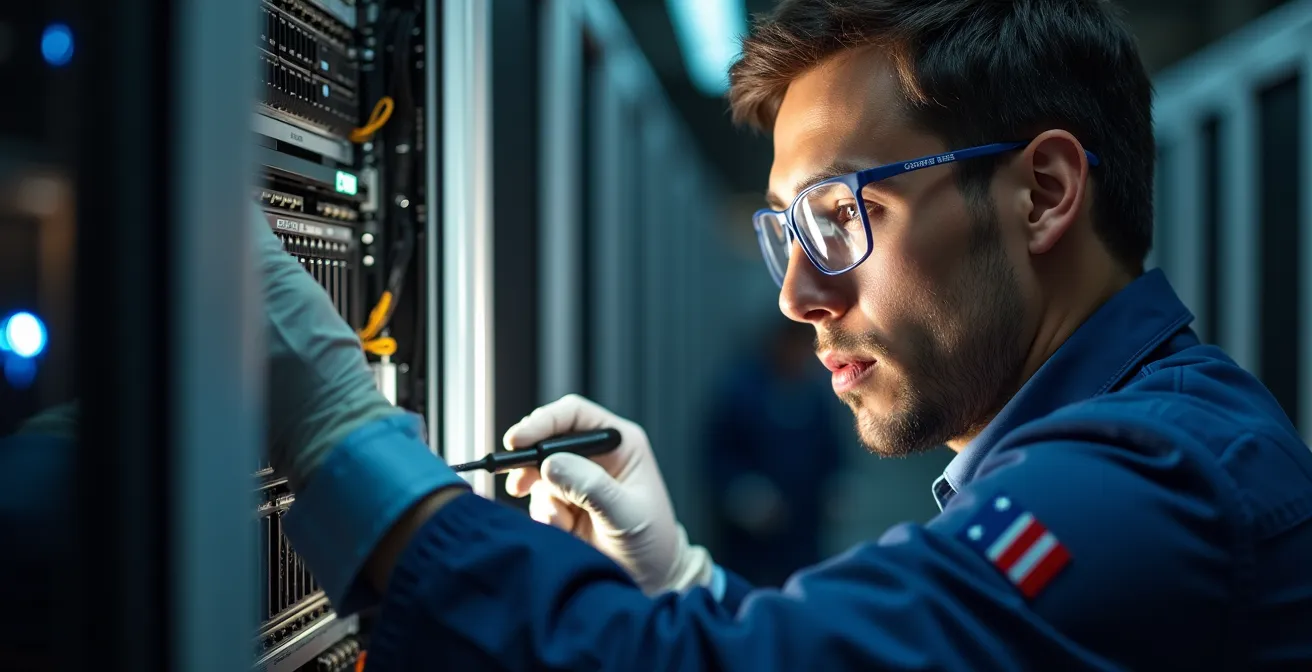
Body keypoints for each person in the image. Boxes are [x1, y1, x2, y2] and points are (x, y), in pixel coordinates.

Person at [6, 2, 1312, 670]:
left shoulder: (1154, 483)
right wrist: (686, 585)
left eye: (841, 217)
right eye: (780, 233)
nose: (800, 296)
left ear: (1041, 192)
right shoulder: (1125, 444)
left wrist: (344, 437)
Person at [703, 318, 846, 586]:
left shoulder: (815, 396)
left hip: (803, 528)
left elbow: (831, 450)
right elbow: (719, 455)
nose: (801, 357)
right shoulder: (741, 393)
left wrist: (836, 486)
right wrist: (743, 493)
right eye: (797, 347)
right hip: (750, 537)